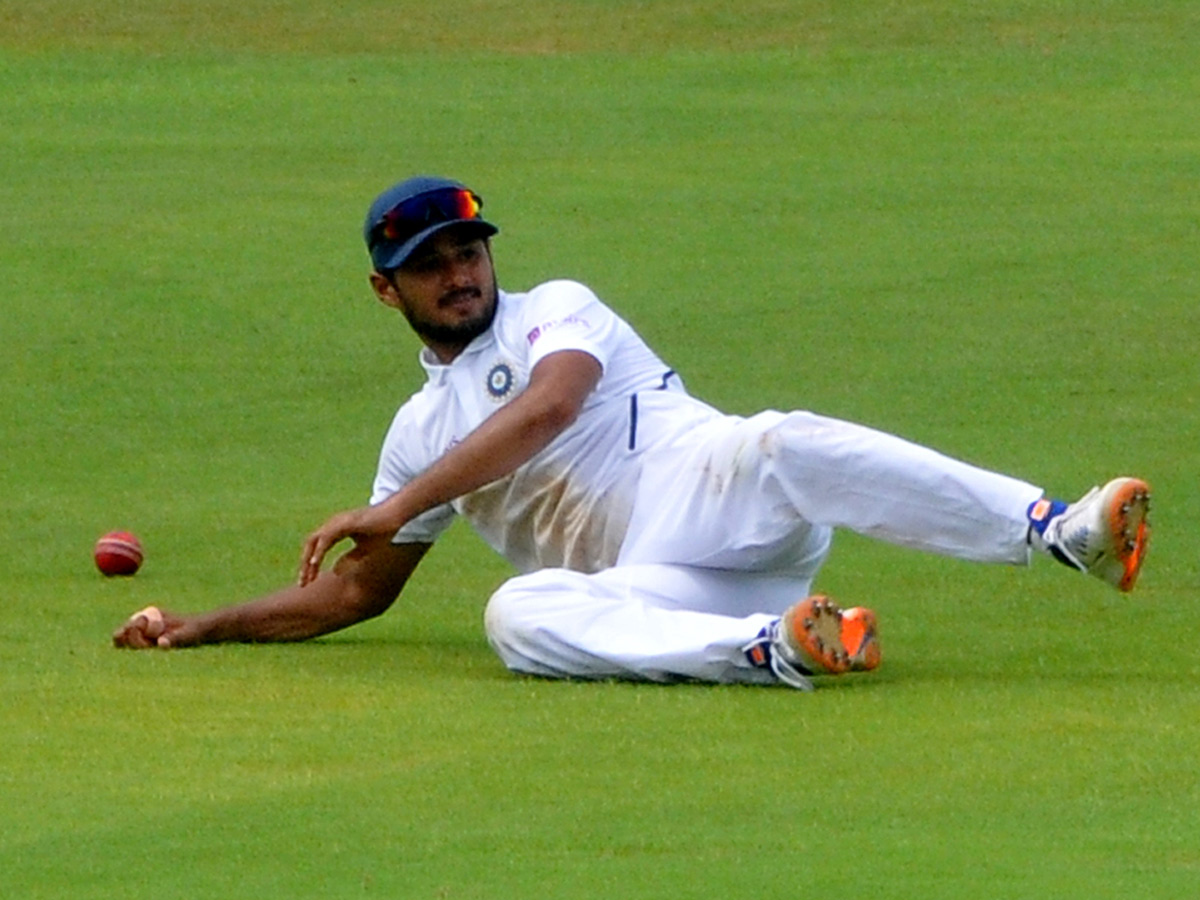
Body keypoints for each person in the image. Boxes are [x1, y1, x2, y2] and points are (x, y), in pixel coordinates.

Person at [113, 175, 1152, 690]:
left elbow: (551, 407)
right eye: (433, 262)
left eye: (470, 248)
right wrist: (201, 627)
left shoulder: (555, 306)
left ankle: (1060, 532)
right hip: (662, 588)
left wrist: (401, 502)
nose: (461, 271)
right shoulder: (417, 428)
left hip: (706, 488)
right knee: (516, 616)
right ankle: (771, 650)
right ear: (386, 290)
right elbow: (354, 591)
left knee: (779, 438)